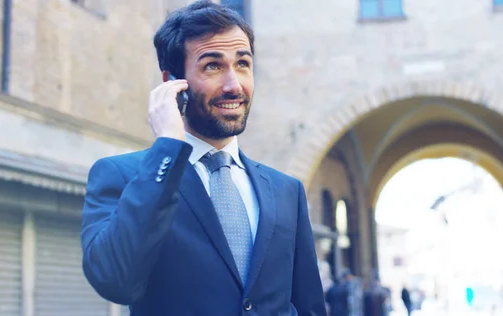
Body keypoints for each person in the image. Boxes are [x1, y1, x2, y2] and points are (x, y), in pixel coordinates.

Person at [80, 1, 326, 315]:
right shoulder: (123, 175)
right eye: (213, 65)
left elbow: (309, 306)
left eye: (242, 64)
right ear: (172, 82)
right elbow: (114, 280)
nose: (234, 85)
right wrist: (167, 144)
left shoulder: (286, 190)